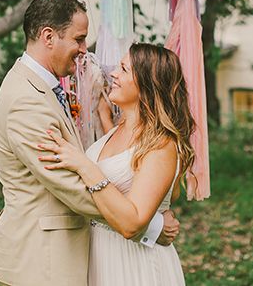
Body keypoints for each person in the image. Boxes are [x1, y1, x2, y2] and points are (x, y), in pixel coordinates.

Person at [0, 0, 180, 286]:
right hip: (43, 259)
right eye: (78, 39)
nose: (83, 49)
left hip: (104, 260)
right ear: (49, 37)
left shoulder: (43, 87)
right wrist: (147, 224)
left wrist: (138, 217)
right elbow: (68, 184)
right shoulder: (25, 99)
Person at [36, 42, 195, 286]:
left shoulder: (162, 144)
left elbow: (133, 222)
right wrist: (103, 115)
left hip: (133, 264)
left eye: (123, 69)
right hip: (98, 254)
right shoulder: (117, 129)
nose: (113, 74)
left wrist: (84, 166)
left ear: (146, 83)